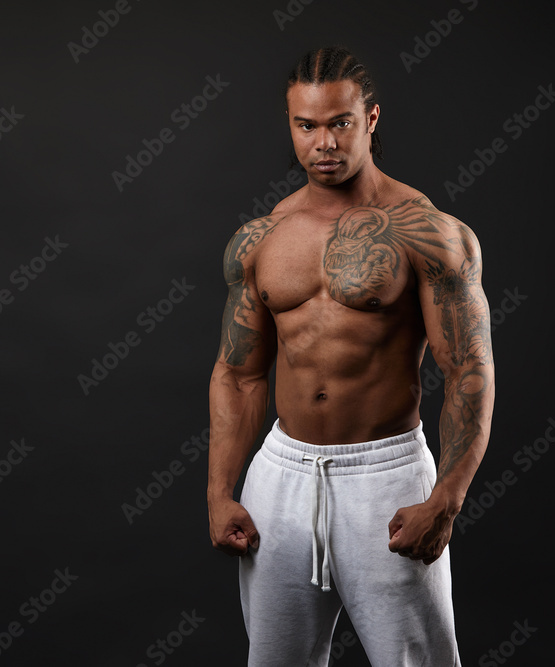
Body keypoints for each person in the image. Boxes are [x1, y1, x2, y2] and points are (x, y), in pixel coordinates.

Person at [207, 46, 495, 666]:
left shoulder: (428, 233)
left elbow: (467, 369)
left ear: (370, 119)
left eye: (339, 122)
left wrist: (445, 498)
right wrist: (219, 491)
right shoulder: (261, 238)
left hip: (385, 477)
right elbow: (239, 372)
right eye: (305, 125)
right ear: (289, 125)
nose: (323, 142)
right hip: (281, 477)